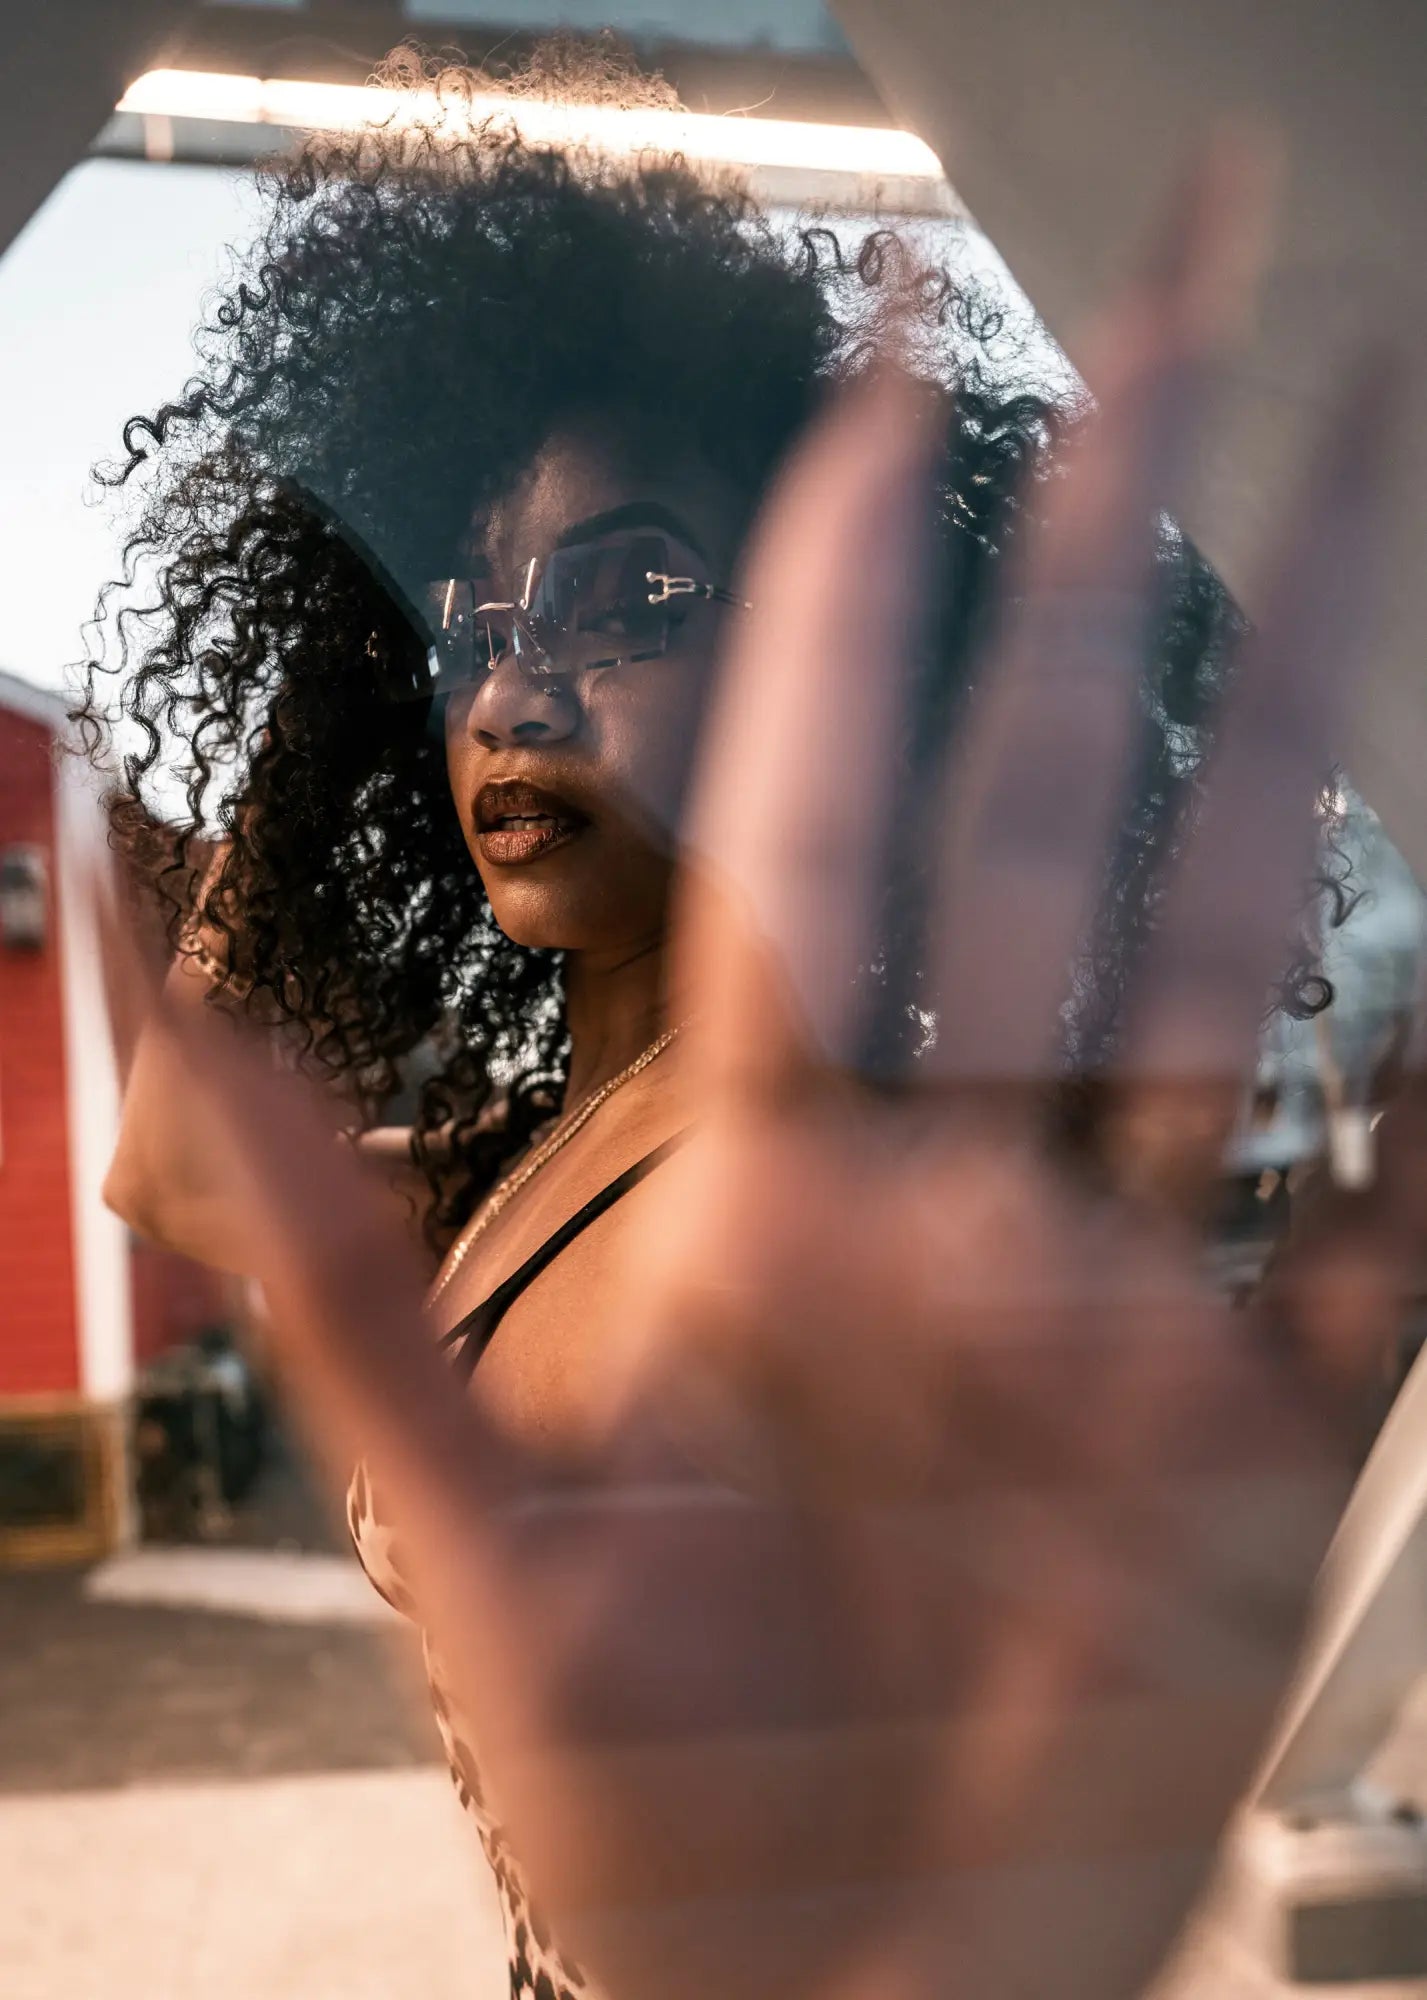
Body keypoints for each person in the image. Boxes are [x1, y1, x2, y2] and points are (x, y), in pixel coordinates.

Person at [88, 48, 1411, 2000]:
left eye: (631, 592)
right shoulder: (562, 1123)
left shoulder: (808, 1214)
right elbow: (174, 1169)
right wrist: (374, 665)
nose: (520, 693)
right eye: (475, 622)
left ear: (840, 649)